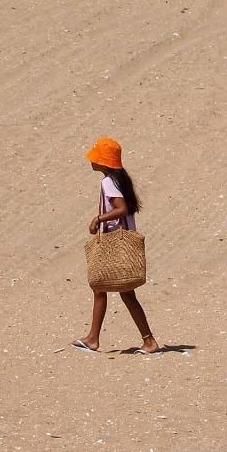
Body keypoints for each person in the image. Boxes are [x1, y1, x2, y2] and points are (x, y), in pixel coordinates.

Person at [73, 138, 160, 354]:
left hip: (114, 244)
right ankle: (95, 337)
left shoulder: (108, 182)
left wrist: (98, 219)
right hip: (122, 241)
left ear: (103, 162)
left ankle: (145, 341)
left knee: (105, 287)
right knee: (108, 289)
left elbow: (121, 209)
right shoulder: (120, 180)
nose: (91, 162)